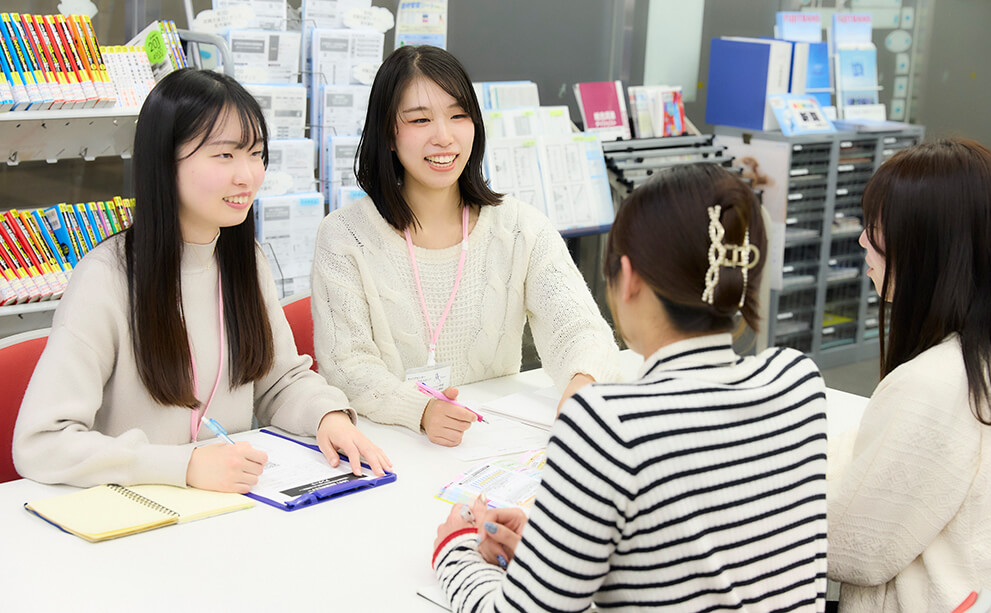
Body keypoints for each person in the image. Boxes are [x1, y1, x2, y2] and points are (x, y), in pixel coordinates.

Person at [431, 163, 829, 611]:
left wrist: (457, 547)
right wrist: (553, 551)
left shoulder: (608, 422)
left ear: (629, 277)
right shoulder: (799, 384)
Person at [13, 68, 389, 493]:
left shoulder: (245, 261)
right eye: (225, 155)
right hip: (135, 509)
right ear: (165, 161)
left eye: (256, 153)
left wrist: (327, 416)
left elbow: (279, 382)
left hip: (228, 505)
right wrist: (183, 466)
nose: (247, 175)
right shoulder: (107, 277)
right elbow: (41, 442)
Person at [311, 45, 620, 446]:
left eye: (458, 116)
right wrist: (420, 410)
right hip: (390, 447)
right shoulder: (344, 236)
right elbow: (346, 366)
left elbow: (579, 328)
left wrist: (582, 382)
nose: (444, 137)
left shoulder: (520, 228)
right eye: (420, 119)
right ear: (388, 133)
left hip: (492, 444)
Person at [827, 139, 991, 612]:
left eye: (878, 227)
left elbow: (851, 549)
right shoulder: (979, 359)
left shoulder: (932, 384)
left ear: (930, 245)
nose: (862, 240)